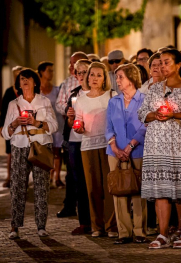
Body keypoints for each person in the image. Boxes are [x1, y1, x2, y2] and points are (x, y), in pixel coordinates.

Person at [138, 49, 181, 249]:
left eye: (166, 62)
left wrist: (174, 115)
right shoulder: (154, 89)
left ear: (179, 64)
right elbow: (142, 112)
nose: (162, 66)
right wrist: (155, 114)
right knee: (160, 189)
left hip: (179, 144)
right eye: (159, 63)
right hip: (155, 144)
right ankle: (163, 234)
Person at [2, 68, 58, 239]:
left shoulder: (44, 101)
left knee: (42, 187)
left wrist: (36, 122)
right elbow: (5, 133)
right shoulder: (14, 104)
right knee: (18, 186)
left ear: (35, 82)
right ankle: (14, 227)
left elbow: (54, 126)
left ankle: (41, 226)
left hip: (41, 146)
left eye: (28, 78)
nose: (25, 81)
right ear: (19, 83)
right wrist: (14, 123)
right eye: (22, 79)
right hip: (19, 146)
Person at [74, 62, 118, 238]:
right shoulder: (81, 99)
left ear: (104, 78)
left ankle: (111, 225)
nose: (94, 78)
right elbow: (78, 120)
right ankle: (96, 226)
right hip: (88, 145)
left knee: (109, 186)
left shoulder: (111, 95)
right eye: (92, 74)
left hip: (108, 144)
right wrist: (78, 127)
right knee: (93, 188)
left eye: (99, 75)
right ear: (87, 76)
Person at [106, 63, 148, 244]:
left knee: (138, 190)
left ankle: (140, 231)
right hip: (115, 152)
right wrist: (115, 147)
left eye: (121, 77)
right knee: (119, 190)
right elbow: (108, 127)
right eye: (117, 78)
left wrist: (130, 146)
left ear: (131, 78)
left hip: (138, 149)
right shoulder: (113, 101)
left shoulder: (144, 99)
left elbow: (146, 125)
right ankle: (123, 232)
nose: (118, 81)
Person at [55, 51, 88, 218]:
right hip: (72, 134)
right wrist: (69, 112)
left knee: (88, 176)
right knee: (72, 174)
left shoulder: (94, 87)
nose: (77, 72)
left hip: (90, 137)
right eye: (75, 68)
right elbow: (60, 104)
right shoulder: (69, 86)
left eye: (82, 70)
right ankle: (71, 206)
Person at [64, 59, 92, 235]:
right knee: (79, 182)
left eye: (84, 72)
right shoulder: (74, 94)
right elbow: (69, 123)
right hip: (75, 141)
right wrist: (69, 117)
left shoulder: (100, 93)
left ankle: (101, 220)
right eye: (78, 72)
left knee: (95, 181)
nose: (81, 75)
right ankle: (84, 222)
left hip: (93, 140)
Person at [38, 61, 65, 188]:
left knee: (57, 152)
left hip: (57, 125)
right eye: (49, 70)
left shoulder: (56, 90)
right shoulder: (37, 91)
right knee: (45, 153)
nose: (51, 73)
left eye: (52, 71)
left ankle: (57, 178)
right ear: (41, 72)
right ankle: (48, 177)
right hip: (43, 126)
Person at [0, 65, 23, 188]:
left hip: (24, 126)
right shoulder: (9, 91)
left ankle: (21, 178)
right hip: (11, 126)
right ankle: (9, 177)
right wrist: (1, 126)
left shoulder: (26, 90)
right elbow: (3, 109)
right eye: (16, 74)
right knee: (10, 152)